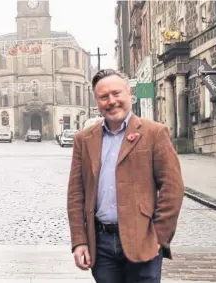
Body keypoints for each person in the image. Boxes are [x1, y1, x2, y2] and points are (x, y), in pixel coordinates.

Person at [67, 69, 184, 283]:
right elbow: (76, 194)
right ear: (97, 101)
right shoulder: (83, 139)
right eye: (104, 97)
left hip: (143, 241)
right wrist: (79, 241)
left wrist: (159, 237)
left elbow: (172, 187)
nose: (111, 101)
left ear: (128, 93)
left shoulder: (154, 133)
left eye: (116, 93)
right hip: (101, 245)